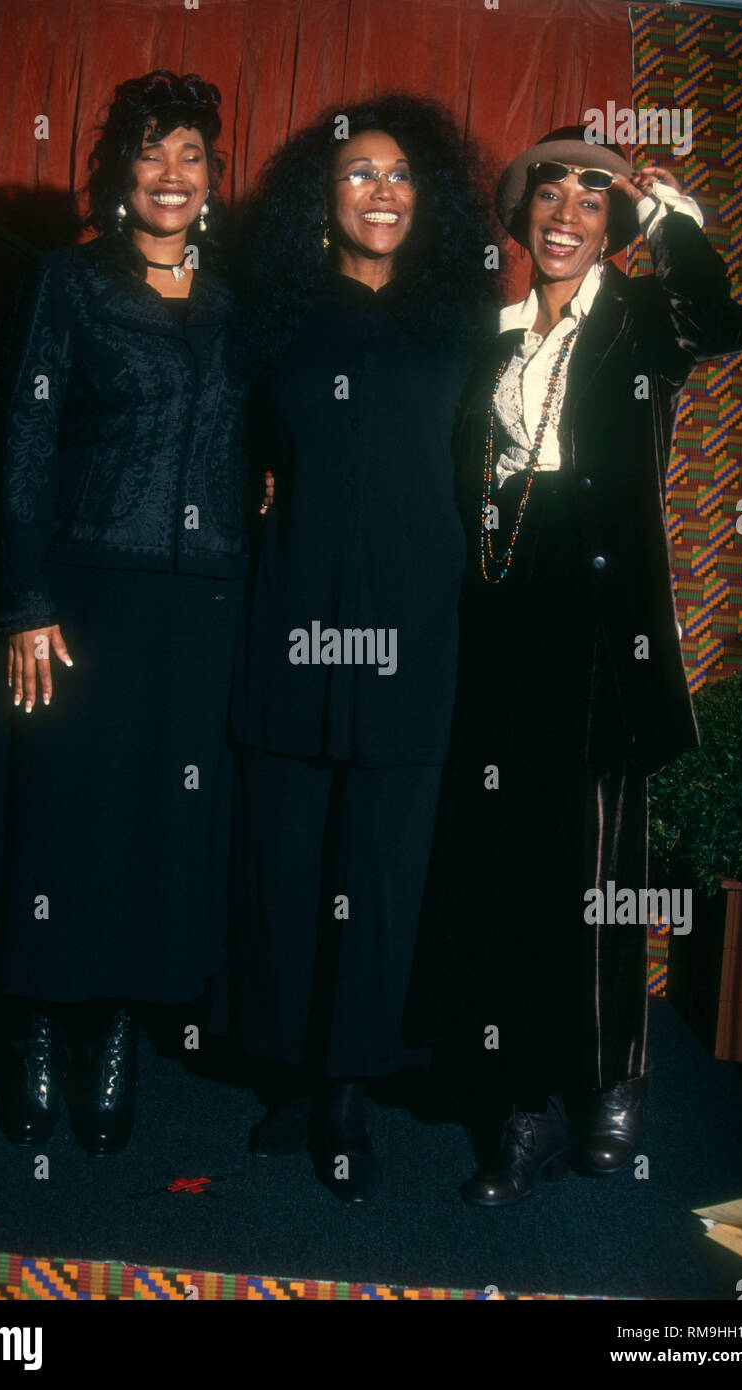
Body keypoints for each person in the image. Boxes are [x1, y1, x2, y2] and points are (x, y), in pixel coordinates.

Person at [409, 127, 742, 1206]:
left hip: (603, 623)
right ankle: (518, 1104)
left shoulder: (642, 321)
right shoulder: (488, 333)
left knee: (596, 870)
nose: (565, 214)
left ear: (613, 229)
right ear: (520, 220)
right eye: (548, 195)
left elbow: (722, 320)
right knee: (507, 865)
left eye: (591, 202)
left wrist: (670, 225)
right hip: (497, 613)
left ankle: (611, 1078)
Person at [0, 71, 249, 1156]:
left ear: (213, 179)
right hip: (85, 594)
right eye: (151, 153)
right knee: (61, 823)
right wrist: (25, 600)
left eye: (191, 156)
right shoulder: (68, 283)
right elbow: (22, 441)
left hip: (203, 604)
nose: (172, 173)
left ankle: (114, 1035)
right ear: (121, 175)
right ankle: (32, 1030)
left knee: (154, 835)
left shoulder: (236, 298)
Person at [228, 94, 497, 1201]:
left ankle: (347, 1092)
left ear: (425, 196)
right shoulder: (274, 317)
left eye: (399, 175)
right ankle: (296, 1066)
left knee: (381, 870)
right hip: (291, 613)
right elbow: (236, 458)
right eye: (356, 174)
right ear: (319, 200)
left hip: (417, 623)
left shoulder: (467, 322)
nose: (380, 191)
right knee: (287, 859)